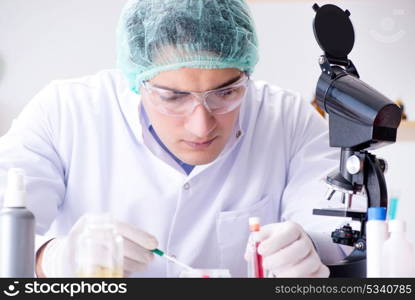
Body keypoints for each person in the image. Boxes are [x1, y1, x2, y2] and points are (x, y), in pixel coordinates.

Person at [0, 0, 349, 278]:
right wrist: (53, 260)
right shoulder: (64, 112)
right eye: (172, 97)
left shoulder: (288, 119)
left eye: (226, 93)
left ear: (247, 72)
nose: (201, 126)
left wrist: (310, 252)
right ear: (137, 81)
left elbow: (335, 230)